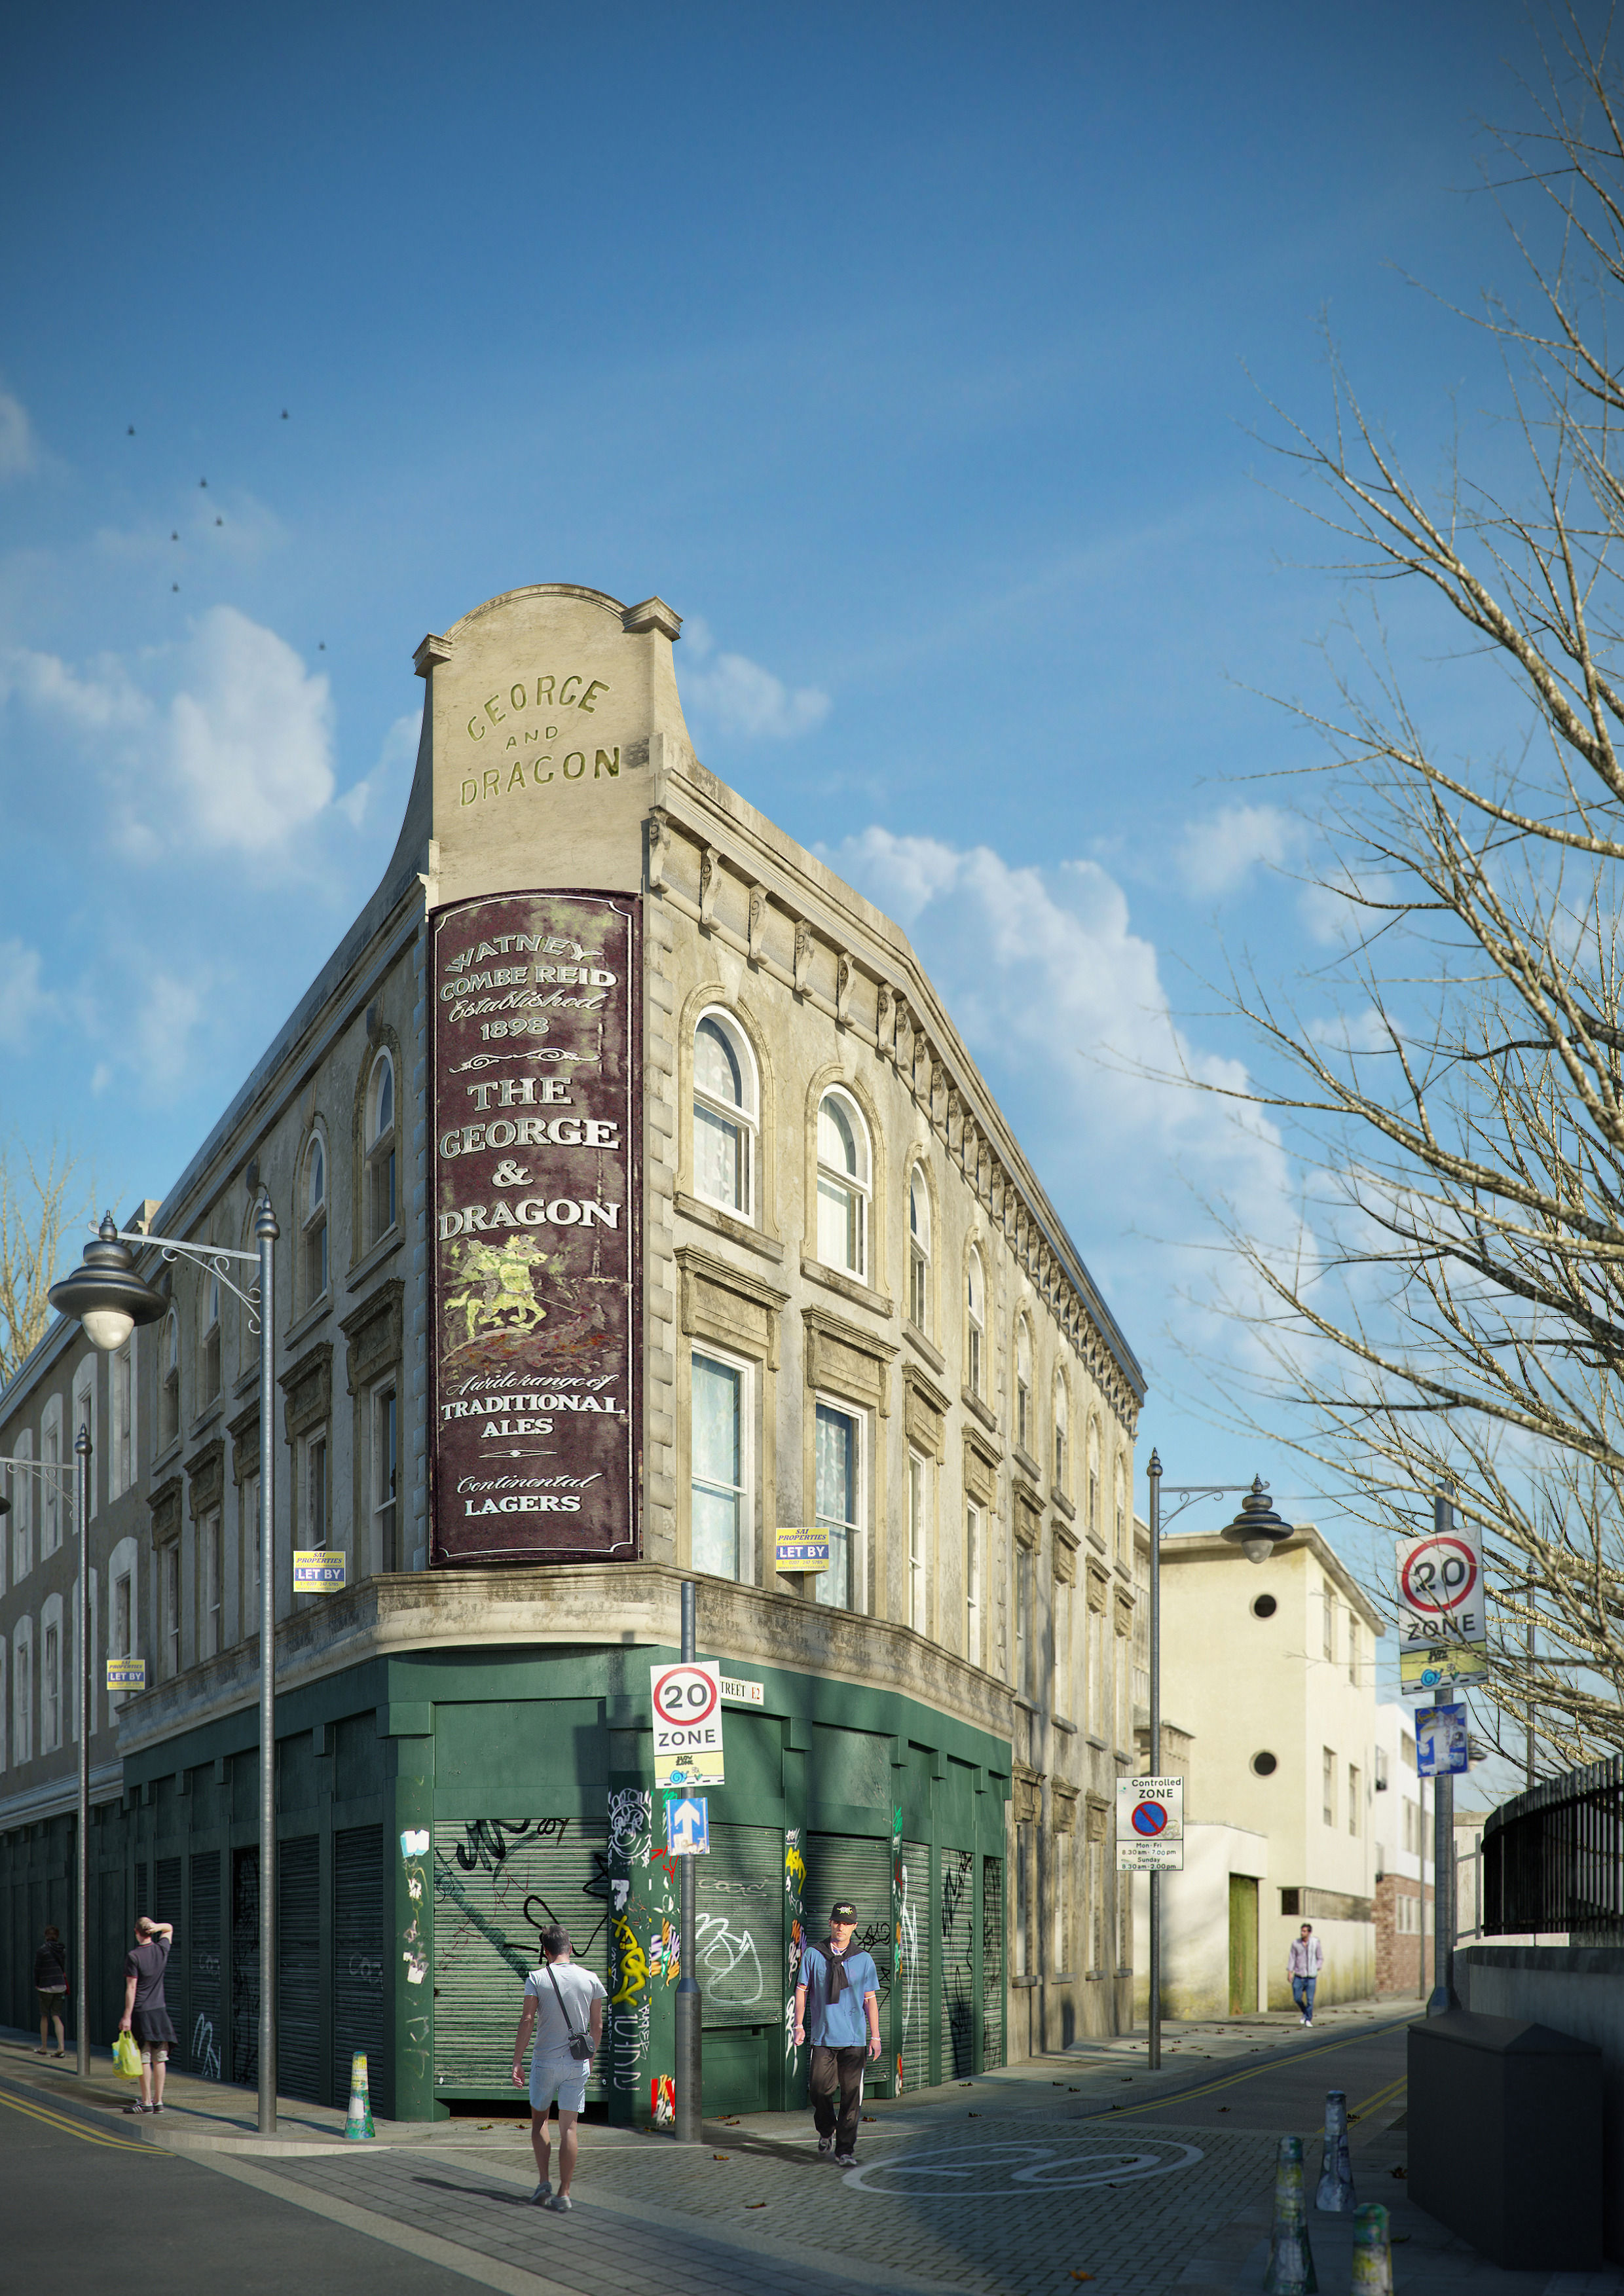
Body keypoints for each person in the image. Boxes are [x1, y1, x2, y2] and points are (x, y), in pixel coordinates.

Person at [511, 1923, 606, 2213]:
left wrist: (517, 2059)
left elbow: (527, 2020)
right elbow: (598, 2025)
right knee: (570, 2129)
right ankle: (564, 2193)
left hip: (544, 2063)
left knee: (540, 2122)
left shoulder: (537, 1978)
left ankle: (543, 2182)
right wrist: (590, 2059)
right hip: (577, 2064)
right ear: (570, 1946)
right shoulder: (590, 1979)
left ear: (545, 1951)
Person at [792, 1899, 881, 2168]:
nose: (841, 1928)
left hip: (854, 2039)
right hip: (823, 2037)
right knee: (819, 2090)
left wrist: (875, 2036)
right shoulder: (813, 1954)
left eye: (847, 1924)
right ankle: (826, 2128)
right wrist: (798, 2025)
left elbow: (870, 1999)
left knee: (852, 2097)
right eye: (837, 1922)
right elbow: (801, 1991)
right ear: (831, 1923)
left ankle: (845, 2150)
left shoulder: (863, 1960)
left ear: (854, 1927)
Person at [120, 1915, 177, 2113]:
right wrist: (157, 1927)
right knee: (160, 2058)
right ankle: (159, 2101)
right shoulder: (162, 1950)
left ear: (136, 1932)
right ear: (151, 1931)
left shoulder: (134, 1956)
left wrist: (127, 2016)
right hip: (160, 2012)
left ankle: (146, 2102)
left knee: (144, 2058)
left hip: (142, 2012)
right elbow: (169, 1928)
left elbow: (131, 1988)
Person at [34, 1925, 67, 2057]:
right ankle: (61, 2047)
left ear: (46, 1936)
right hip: (60, 1985)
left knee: (44, 2016)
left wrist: (37, 1984)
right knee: (56, 2016)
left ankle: (44, 2047)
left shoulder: (42, 1950)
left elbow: (37, 1969)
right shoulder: (62, 1950)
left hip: (46, 1986)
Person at [1287, 1922, 1323, 2026]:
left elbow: (1320, 1957)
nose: (1302, 1933)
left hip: (1311, 1976)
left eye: (1304, 1931)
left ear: (1309, 1932)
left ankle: (1308, 2019)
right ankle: (1305, 2012)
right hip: (1299, 1975)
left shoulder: (1315, 1942)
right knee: (1297, 1998)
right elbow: (1292, 1958)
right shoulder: (1296, 1943)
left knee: (1310, 2000)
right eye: (1301, 1931)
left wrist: (1317, 1967)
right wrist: (1290, 1972)